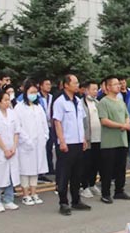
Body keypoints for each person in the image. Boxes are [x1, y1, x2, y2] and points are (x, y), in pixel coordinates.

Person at [53, 74, 91, 216]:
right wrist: (62, 141)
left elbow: (80, 122)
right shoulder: (60, 102)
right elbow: (57, 122)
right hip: (67, 143)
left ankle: (76, 200)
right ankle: (63, 202)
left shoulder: (78, 101)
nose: (77, 85)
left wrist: (83, 139)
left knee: (77, 173)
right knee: (64, 174)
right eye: (74, 83)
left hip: (78, 142)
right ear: (66, 85)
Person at [97, 76, 130, 204]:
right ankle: (105, 193)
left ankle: (119, 190)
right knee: (107, 169)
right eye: (115, 84)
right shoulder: (103, 102)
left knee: (121, 167)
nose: (119, 86)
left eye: (119, 84)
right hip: (109, 141)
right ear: (108, 87)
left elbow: (127, 116)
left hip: (122, 139)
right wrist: (121, 125)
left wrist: (126, 124)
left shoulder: (121, 101)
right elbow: (104, 120)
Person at [15, 81, 49, 206]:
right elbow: (18, 126)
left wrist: (45, 136)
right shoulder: (19, 107)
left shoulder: (38, 107)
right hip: (25, 144)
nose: (33, 94)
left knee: (35, 169)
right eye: (31, 92)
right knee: (25, 170)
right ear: (25, 93)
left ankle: (34, 193)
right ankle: (26, 194)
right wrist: (26, 140)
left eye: (35, 92)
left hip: (38, 143)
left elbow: (44, 124)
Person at [0, 88, 21, 212]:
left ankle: (8, 199)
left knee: (10, 174)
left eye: (8, 100)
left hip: (12, 148)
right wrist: (5, 149)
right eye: (5, 100)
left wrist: (14, 147)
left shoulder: (13, 114)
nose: (7, 102)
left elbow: (17, 131)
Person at [80, 80, 102, 199]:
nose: (95, 92)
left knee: (95, 163)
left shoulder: (97, 103)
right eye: (93, 89)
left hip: (98, 138)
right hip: (87, 139)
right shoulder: (81, 104)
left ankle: (92, 184)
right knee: (86, 164)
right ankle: (84, 186)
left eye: (96, 89)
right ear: (86, 90)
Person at [38, 78, 55, 181]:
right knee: (42, 148)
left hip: (50, 124)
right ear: (41, 86)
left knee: (49, 146)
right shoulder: (37, 97)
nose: (49, 86)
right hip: (41, 125)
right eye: (46, 84)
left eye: (50, 84)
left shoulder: (51, 97)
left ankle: (50, 167)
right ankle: (41, 171)